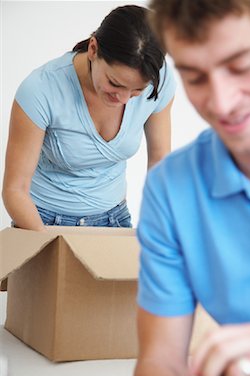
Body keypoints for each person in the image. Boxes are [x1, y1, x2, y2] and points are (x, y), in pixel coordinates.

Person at [118, 1, 250, 376]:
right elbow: (161, 365)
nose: (221, 103)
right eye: (195, 76)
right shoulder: (172, 188)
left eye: (241, 66)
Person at [2, 5, 175, 231]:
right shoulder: (40, 89)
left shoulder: (156, 79)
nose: (123, 99)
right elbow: (14, 190)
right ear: (93, 49)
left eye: (136, 91)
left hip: (114, 218)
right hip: (41, 221)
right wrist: (49, 243)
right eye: (115, 83)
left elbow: (159, 160)